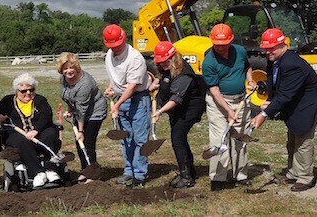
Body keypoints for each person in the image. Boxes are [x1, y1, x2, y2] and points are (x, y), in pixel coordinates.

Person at [251, 28, 317, 192]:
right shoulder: (274, 59)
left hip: (309, 101)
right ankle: (293, 173)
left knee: (303, 136)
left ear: (282, 44)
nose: (267, 52)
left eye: (271, 48)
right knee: (292, 135)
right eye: (265, 48)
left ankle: (305, 178)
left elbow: (285, 95)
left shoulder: (292, 64)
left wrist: (264, 114)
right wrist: (270, 99)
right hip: (296, 100)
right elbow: (272, 80)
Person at [201, 23, 254, 191]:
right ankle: (217, 178)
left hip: (240, 100)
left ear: (230, 41)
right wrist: (229, 111)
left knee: (240, 139)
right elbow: (215, 91)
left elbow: (247, 67)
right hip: (218, 103)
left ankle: (241, 175)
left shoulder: (240, 51)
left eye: (223, 45)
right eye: (217, 44)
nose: (220, 48)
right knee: (219, 140)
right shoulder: (209, 61)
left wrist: (250, 80)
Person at [150, 42, 206, 189]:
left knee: (177, 139)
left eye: (165, 62)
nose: (162, 65)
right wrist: (156, 83)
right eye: (160, 63)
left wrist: (159, 112)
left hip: (189, 109)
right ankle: (190, 171)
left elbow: (175, 99)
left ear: (173, 57)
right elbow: (164, 78)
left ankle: (186, 177)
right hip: (177, 111)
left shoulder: (183, 73)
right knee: (179, 139)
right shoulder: (167, 68)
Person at [103, 24, 152, 187]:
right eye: (111, 46)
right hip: (121, 99)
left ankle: (140, 175)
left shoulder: (135, 58)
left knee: (139, 139)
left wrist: (116, 104)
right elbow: (114, 74)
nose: (114, 48)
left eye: (117, 45)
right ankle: (129, 172)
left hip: (138, 99)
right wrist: (111, 87)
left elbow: (131, 87)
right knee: (126, 139)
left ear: (123, 39)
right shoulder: (109, 55)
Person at [0, 74, 61, 189]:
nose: (28, 93)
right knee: (21, 140)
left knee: (50, 134)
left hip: (39, 134)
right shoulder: (7, 101)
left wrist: (36, 130)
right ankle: (38, 173)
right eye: (23, 91)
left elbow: (46, 116)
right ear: (17, 90)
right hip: (18, 135)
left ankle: (50, 169)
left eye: (31, 90)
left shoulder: (40, 100)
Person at [57, 52, 107, 182]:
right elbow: (69, 96)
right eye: (65, 68)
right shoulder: (63, 79)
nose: (68, 71)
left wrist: (80, 131)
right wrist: (69, 109)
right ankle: (85, 170)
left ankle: (94, 174)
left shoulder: (85, 83)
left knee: (88, 142)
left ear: (76, 67)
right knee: (79, 144)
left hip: (94, 112)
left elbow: (81, 109)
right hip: (79, 112)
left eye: (71, 67)